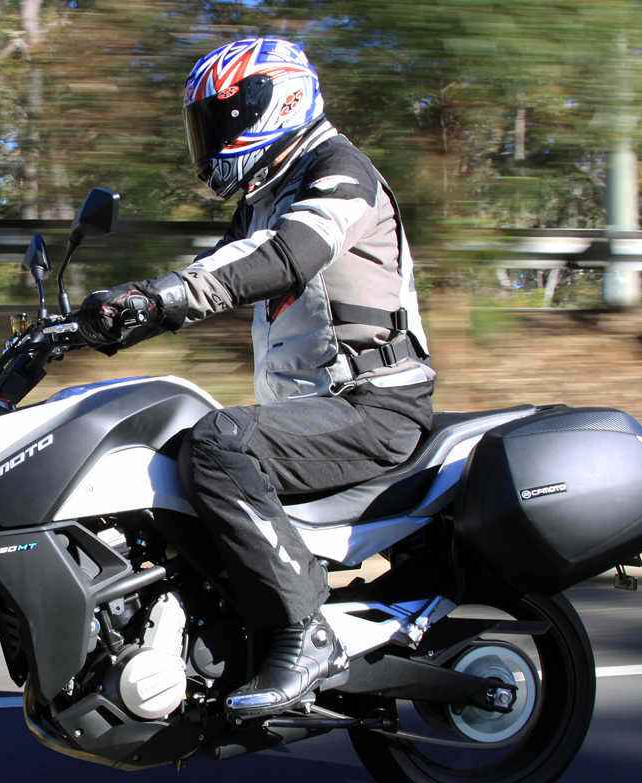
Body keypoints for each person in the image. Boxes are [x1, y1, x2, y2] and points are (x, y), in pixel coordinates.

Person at [77, 37, 436, 718]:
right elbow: (215, 269)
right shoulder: (266, 195)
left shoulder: (338, 170)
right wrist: (105, 318)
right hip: (321, 410)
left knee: (220, 442)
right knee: (160, 445)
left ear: (280, 102)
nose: (211, 138)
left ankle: (305, 631)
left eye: (222, 119)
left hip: (374, 407)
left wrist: (157, 298)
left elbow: (284, 256)